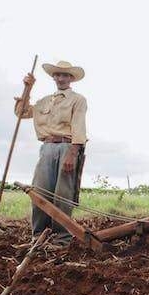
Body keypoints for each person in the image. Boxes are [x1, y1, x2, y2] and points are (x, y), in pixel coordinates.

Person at [14, 60, 88, 246]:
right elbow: (22, 112)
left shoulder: (77, 99)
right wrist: (27, 89)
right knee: (40, 191)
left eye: (65, 75)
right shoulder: (44, 101)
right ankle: (38, 236)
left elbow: (79, 128)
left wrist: (73, 153)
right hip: (46, 148)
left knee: (63, 194)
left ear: (71, 79)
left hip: (67, 147)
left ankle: (61, 239)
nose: (61, 78)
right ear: (53, 77)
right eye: (57, 74)